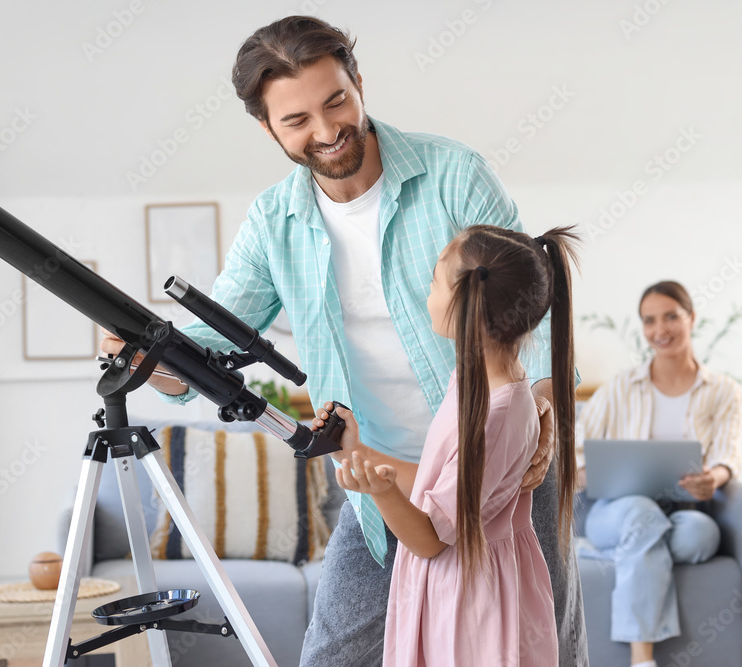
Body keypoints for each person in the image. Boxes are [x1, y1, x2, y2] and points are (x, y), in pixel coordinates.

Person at [102, 15, 588, 666]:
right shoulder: (274, 222)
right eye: (297, 119)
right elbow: (204, 344)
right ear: (267, 127)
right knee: (333, 655)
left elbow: (537, 300)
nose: (328, 131)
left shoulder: (452, 173)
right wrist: (143, 357)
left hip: (498, 467)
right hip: (377, 473)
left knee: (539, 642)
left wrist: (549, 408)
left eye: (337, 101)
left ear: (359, 81)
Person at [314, 224, 579, 665]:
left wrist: (380, 493)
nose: (427, 292)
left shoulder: (498, 415)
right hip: (457, 590)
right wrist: (356, 452)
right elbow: (438, 487)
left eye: (435, 281)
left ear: (468, 304)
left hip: (467, 609)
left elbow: (430, 537)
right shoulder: (481, 387)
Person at [576, 280, 742, 667]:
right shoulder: (620, 388)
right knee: (639, 513)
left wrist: (712, 479)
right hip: (616, 513)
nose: (660, 330)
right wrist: (592, 472)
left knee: (702, 534)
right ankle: (642, 658)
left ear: (691, 318)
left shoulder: (723, 391)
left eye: (671, 317)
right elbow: (577, 455)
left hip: (684, 513)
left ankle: (628, 551)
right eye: (649, 321)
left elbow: (728, 456)